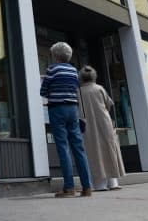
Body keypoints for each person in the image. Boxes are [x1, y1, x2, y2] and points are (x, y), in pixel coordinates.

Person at [40, 42, 92, 198]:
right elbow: (76, 88)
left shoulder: (52, 69)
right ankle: (87, 187)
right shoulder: (74, 71)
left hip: (57, 110)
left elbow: (43, 91)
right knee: (78, 148)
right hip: (73, 110)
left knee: (63, 147)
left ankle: (69, 188)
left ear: (55, 55)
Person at [78, 65, 126, 191]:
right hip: (104, 122)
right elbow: (109, 104)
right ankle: (113, 182)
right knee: (110, 149)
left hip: (87, 124)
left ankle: (100, 184)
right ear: (94, 77)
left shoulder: (78, 91)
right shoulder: (100, 88)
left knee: (94, 152)